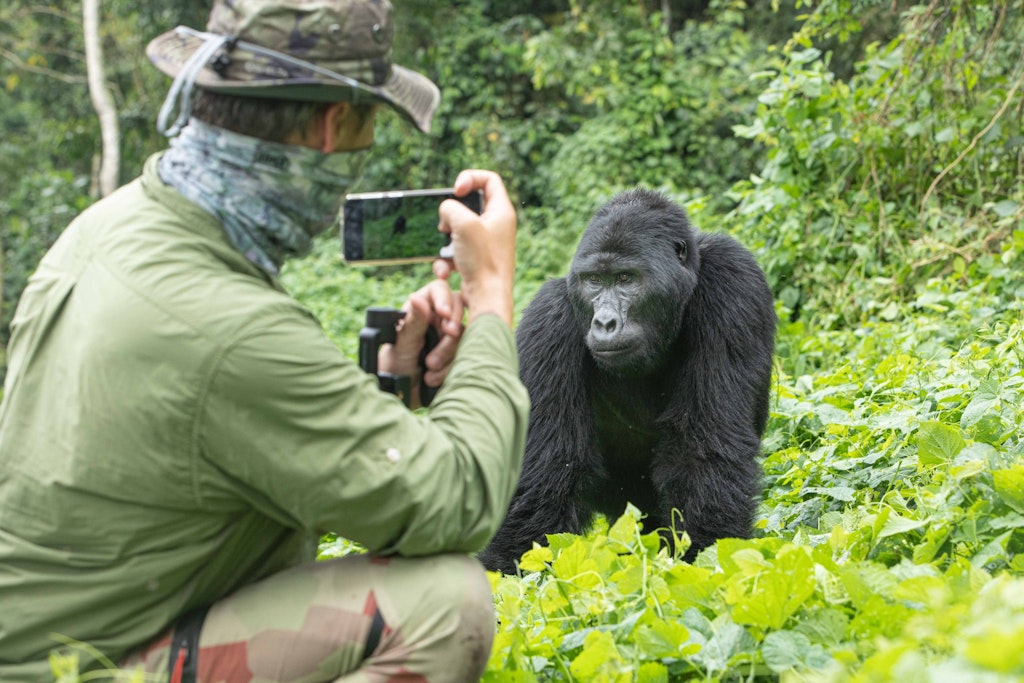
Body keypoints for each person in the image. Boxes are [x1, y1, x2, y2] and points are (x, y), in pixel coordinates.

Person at [0, 1, 529, 681]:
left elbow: (220, 421)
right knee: (444, 604)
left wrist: (391, 374)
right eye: (369, 122)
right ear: (334, 125)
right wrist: (490, 302)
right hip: (88, 665)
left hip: (53, 635)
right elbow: (458, 498)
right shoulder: (229, 326)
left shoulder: (115, 226)